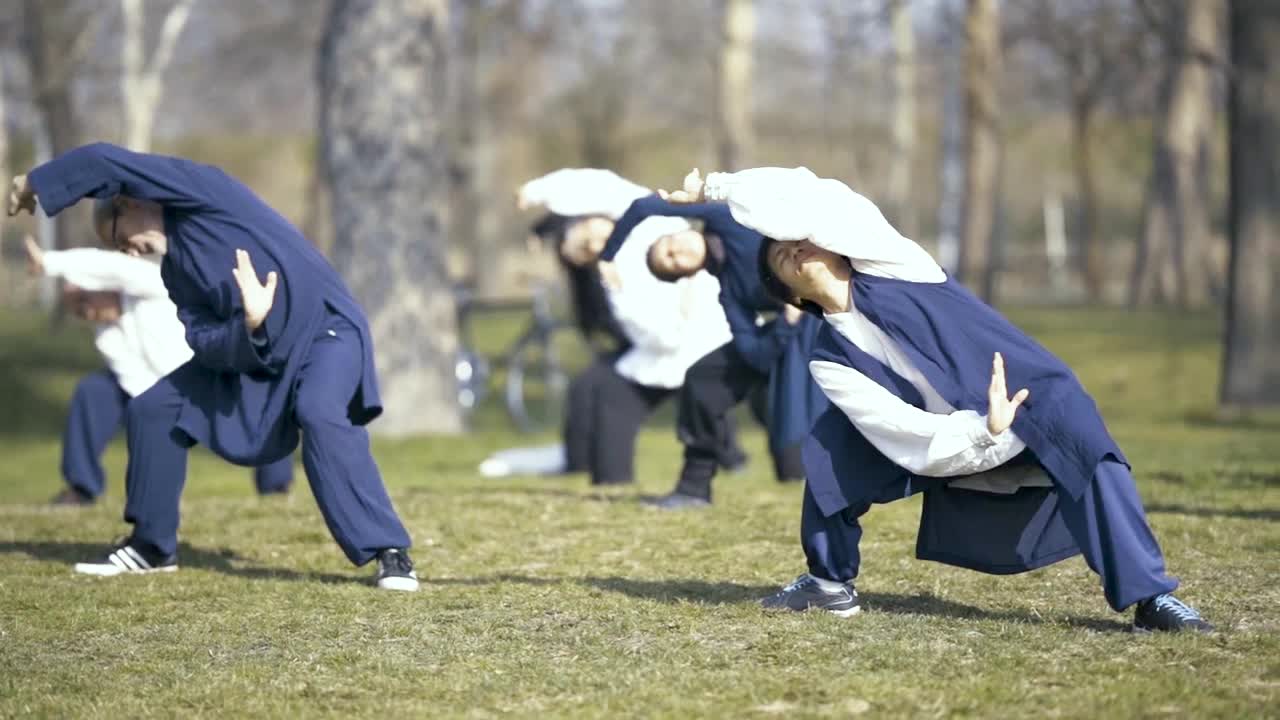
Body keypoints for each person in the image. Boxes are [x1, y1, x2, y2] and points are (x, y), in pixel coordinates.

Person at [665, 166, 1210, 632]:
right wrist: (982, 432)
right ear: (791, 295)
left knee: (1087, 445)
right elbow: (898, 429)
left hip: (1028, 400)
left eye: (799, 239)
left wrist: (718, 187)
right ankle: (828, 583)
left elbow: (817, 196)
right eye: (783, 256)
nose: (796, 247)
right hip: (951, 438)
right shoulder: (828, 358)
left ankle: (1151, 598)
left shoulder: (897, 264)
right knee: (833, 446)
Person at [9, 142, 418, 591]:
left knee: (320, 411)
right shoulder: (174, 273)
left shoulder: (203, 194)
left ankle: (389, 552)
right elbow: (204, 341)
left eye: (119, 237)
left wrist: (36, 183)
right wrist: (251, 324)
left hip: (324, 332)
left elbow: (106, 161)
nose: (127, 252)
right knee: (153, 409)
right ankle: (151, 546)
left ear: (132, 203)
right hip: (260, 353)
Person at [479, 169, 736, 485]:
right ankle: (601, 476)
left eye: (589, 236)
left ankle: (736, 461)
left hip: (706, 343)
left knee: (626, 395)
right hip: (665, 353)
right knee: (600, 391)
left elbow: (597, 186)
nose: (596, 243)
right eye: (588, 251)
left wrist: (536, 193)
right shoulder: (614, 272)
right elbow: (656, 336)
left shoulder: (642, 219)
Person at [595, 193, 830, 509]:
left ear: (679, 230)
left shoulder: (726, 219)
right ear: (688, 274)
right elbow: (753, 354)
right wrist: (785, 323)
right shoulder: (731, 292)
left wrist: (607, 255)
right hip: (795, 329)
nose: (676, 251)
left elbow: (642, 207)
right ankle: (694, 488)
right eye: (673, 262)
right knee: (703, 379)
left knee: (802, 451)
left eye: (669, 246)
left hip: (836, 309)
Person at [23, 236, 294, 506]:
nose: (87, 314)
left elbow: (110, 265)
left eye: (85, 304)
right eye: (79, 313)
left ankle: (276, 486)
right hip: (160, 390)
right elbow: (134, 380)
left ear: (107, 287)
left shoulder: (149, 282)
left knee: (260, 396)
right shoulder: (105, 336)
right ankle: (81, 488)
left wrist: (48, 262)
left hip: (209, 375)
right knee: (94, 391)